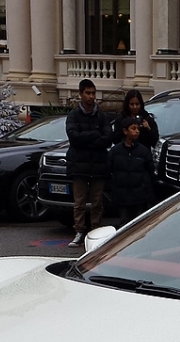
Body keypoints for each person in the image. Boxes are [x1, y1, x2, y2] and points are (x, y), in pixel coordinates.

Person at [66, 78, 111, 247]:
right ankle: (79, 230)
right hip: (79, 164)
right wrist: (94, 135)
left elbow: (107, 138)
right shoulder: (73, 115)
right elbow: (74, 138)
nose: (91, 97)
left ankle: (96, 230)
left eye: (93, 93)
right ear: (81, 94)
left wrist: (87, 138)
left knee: (97, 201)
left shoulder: (102, 116)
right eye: (88, 93)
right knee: (79, 201)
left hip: (98, 164)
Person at [107, 116, 156, 227]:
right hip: (122, 195)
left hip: (140, 195)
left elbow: (150, 171)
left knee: (140, 223)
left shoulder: (143, 151)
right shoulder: (116, 151)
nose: (137, 131)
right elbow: (109, 170)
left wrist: (147, 190)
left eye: (138, 128)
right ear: (125, 131)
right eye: (133, 128)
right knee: (125, 223)